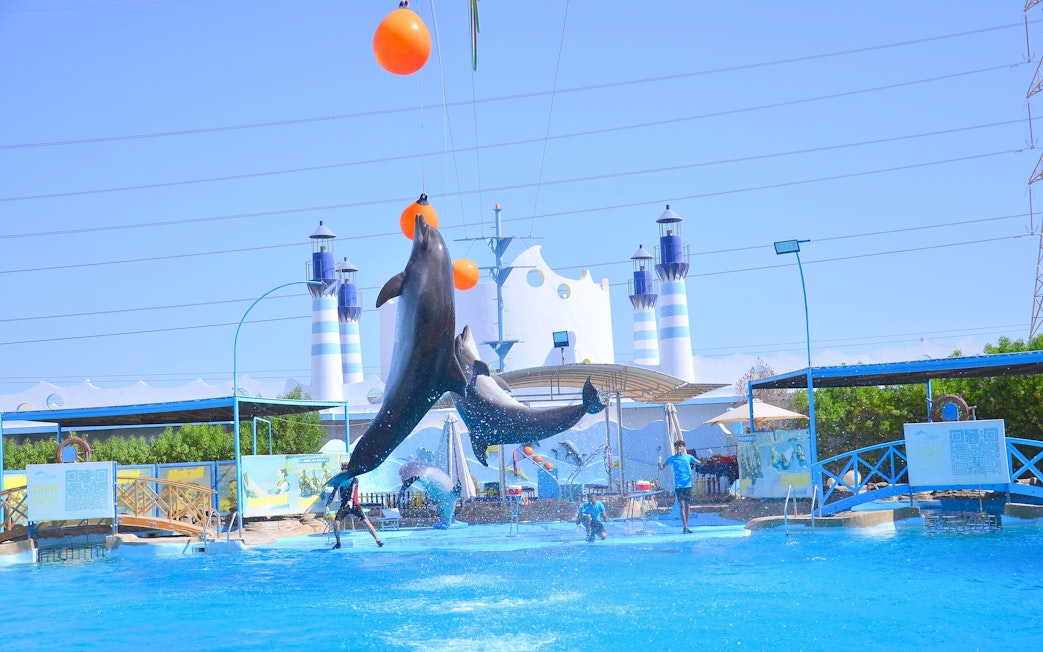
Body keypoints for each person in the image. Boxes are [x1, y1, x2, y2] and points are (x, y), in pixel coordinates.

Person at [324, 464, 384, 549]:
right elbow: (333, 493)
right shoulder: (340, 480)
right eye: (343, 470)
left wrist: (350, 500)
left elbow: (352, 490)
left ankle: (378, 540)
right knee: (336, 523)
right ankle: (338, 543)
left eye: (345, 469)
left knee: (366, 522)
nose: (344, 471)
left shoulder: (354, 479)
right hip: (344, 506)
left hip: (355, 504)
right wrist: (327, 503)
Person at [660, 439, 699, 534]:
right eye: (677, 446)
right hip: (678, 485)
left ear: (683, 447)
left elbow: (700, 463)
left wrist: (707, 458)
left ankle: (687, 525)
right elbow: (662, 467)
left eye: (681, 446)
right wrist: (659, 464)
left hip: (688, 484)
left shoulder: (689, 457)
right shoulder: (672, 458)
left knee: (687, 505)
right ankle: (685, 526)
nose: (679, 447)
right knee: (681, 505)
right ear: (675, 448)